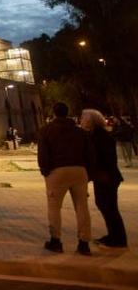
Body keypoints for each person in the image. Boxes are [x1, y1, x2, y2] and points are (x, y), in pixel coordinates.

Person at [38, 102, 92, 255]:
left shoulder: (46, 130)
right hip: (79, 170)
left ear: (54, 113)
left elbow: (43, 154)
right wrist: (88, 173)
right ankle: (84, 243)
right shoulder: (80, 132)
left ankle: (56, 241)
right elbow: (89, 153)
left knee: (54, 207)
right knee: (82, 207)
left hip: (57, 171)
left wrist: (45, 171)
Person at [81, 109, 127, 248]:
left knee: (109, 207)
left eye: (83, 118)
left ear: (90, 121)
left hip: (106, 177)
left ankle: (118, 239)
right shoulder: (98, 135)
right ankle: (114, 235)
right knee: (106, 206)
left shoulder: (99, 136)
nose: (81, 121)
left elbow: (102, 158)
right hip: (103, 176)